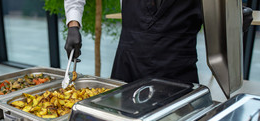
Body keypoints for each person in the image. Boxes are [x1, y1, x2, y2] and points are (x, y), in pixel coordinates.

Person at [64, 0, 253, 84]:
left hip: (178, 69)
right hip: (128, 64)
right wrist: (73, 24)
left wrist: (232, 18)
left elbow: (220, 7)